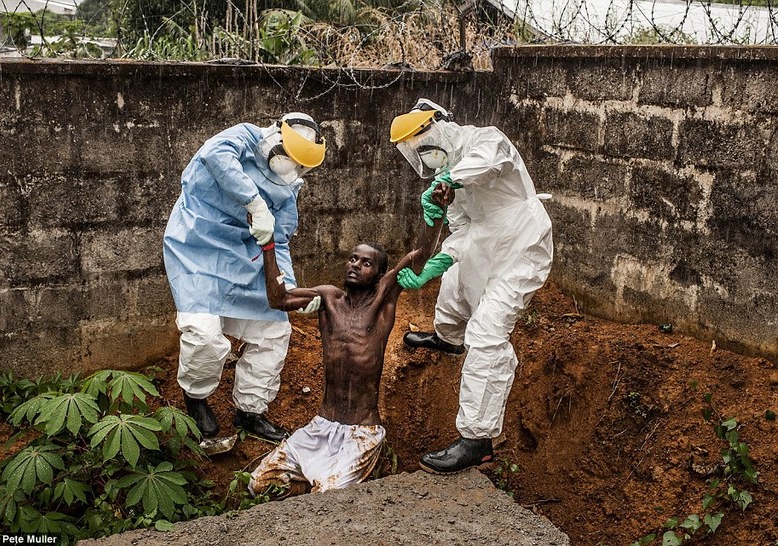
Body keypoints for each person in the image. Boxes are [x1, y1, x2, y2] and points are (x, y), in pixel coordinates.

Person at [247, 184, 451, 495]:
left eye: (366, 262)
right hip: (321, 426)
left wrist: (437, 213)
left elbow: (420, 255)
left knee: (328, 497)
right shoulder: (329, 298)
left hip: (361, 431)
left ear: (380, 273)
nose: (355, 264)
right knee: (259, 484)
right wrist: (267, 245)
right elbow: (278, 298)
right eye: (353, 258)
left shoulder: (383, 300)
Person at [389, 98, 554, 474]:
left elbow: (489, 162)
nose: (426, 156)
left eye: (425, 145)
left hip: (522, 243)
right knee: (454, 287)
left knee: (487, 332)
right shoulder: (448, 178)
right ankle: (447, 339)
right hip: (482, 241)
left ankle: (477, 441)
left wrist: (449, 180)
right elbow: (462, 230)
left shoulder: (486, 140)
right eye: (417, 153)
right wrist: (435, 265)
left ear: (441, 126)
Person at [163, 113, 327, 443]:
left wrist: (288, 286)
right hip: (197, 247)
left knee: (274, 332)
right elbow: (214, 156)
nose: (289, 165)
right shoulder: (243, 138)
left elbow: (278, 239)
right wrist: (255, 203)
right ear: (276, 140)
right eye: (288, 156)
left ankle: (250, 411)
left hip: (244, 256)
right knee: (204, 336)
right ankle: (196, 400)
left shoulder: (288, 186)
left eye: (298, 163)